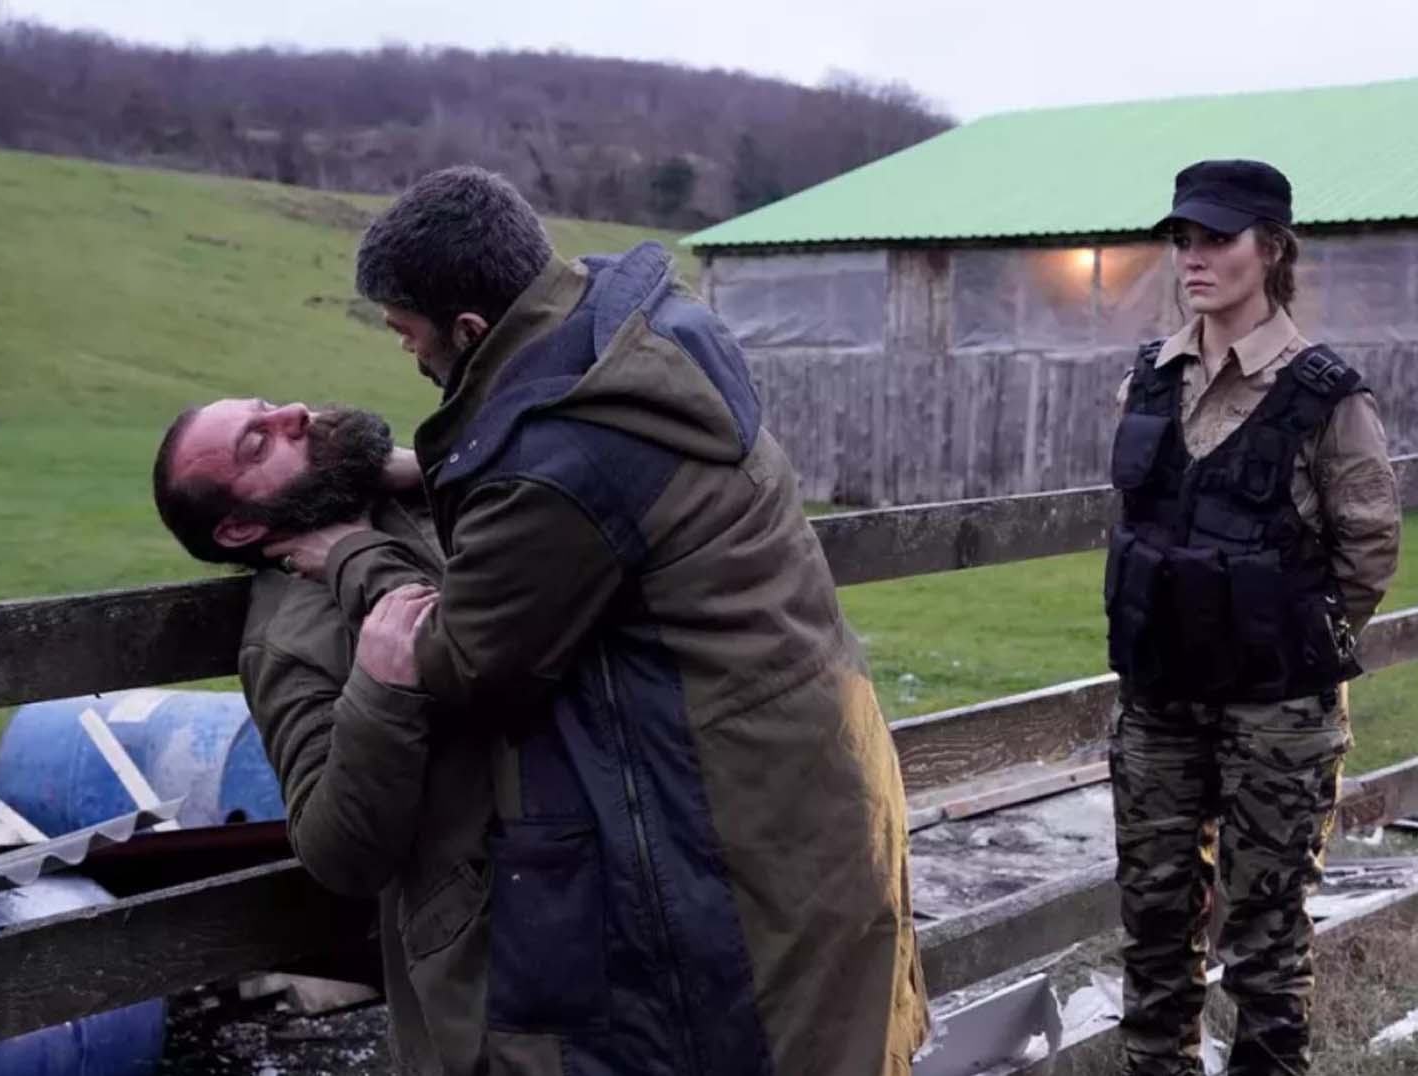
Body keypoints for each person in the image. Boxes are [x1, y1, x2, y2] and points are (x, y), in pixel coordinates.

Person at [266, 166, 928, 1076]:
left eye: (409, 334)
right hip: (811, 767)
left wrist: (350, 554)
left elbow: (466, 656)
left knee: (758, 1035)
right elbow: (566, 483)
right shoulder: (632, 340)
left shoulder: (559, 460)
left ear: (467, 330)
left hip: (734, 804)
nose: (408, 359)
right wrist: (450, 473)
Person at [1104, 160, 1401, 1076]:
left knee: (1267, 936)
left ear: (1271, 249)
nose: (1195, 257)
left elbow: (1369, 550)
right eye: (1183, 239)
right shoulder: (1147, 380)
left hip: (1277, 710)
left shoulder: (1325, 397)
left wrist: (1285, 640)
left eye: (1218, 239)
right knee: (1154, 921)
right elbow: (1135, 522)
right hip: (1160, 704)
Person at [152, 400, 496, 1074]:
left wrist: (426, 468)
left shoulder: (420, 495)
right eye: (259, 440)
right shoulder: (290, 640)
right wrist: (381, 692)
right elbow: (337, 852)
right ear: (242, 527)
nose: (296, 412)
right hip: (500, 963)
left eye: (269, 405)